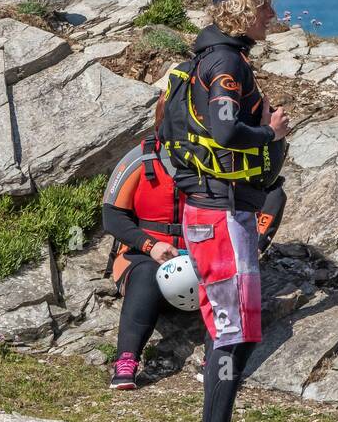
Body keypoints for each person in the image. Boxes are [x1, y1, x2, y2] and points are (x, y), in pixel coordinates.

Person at [167, 0, 291, 422]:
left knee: (238, 333)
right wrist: (272, 133)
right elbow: (223, 130)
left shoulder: (214, 57)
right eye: (264, 3)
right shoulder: (225, 63)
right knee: (230, 334)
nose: (272, 12)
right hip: (218, 214)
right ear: (241, 7)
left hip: (219, 210)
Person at [101, 133, 285, 391]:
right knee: (145, 275)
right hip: (144, 259)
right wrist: (150, 246)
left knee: (226, 278)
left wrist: (254, 245)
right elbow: (111, 216)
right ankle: (126, 361)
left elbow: (273, 192)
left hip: (204, 259)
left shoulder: (223, 156)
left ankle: (216, 364)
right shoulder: (141, 158)